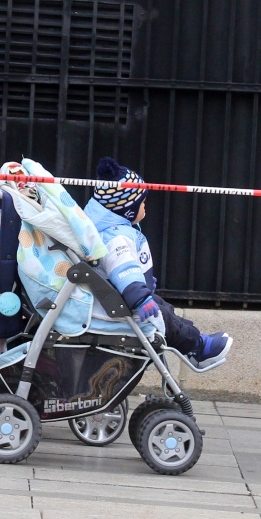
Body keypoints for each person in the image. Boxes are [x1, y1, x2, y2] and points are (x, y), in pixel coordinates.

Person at [83, 157, 233, 368]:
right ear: (128, 209)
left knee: (165, 309)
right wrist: (141, 299)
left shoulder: (110, 229)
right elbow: (124, 271)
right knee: (163, 318)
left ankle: (195, 340)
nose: (145, 208)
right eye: (142, 203)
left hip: (124, 298)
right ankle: (197, 348)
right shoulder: (117, 237)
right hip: (127, 303)